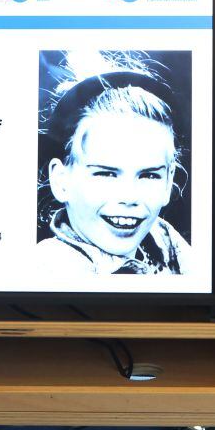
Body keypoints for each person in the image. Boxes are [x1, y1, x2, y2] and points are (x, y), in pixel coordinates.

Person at [37, 65, 191, 275]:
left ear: (168, 181)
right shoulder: (52, 268)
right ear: (61, 181)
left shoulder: (165, 239)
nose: (129, 197)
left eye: (149, 175)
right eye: (106, 173)